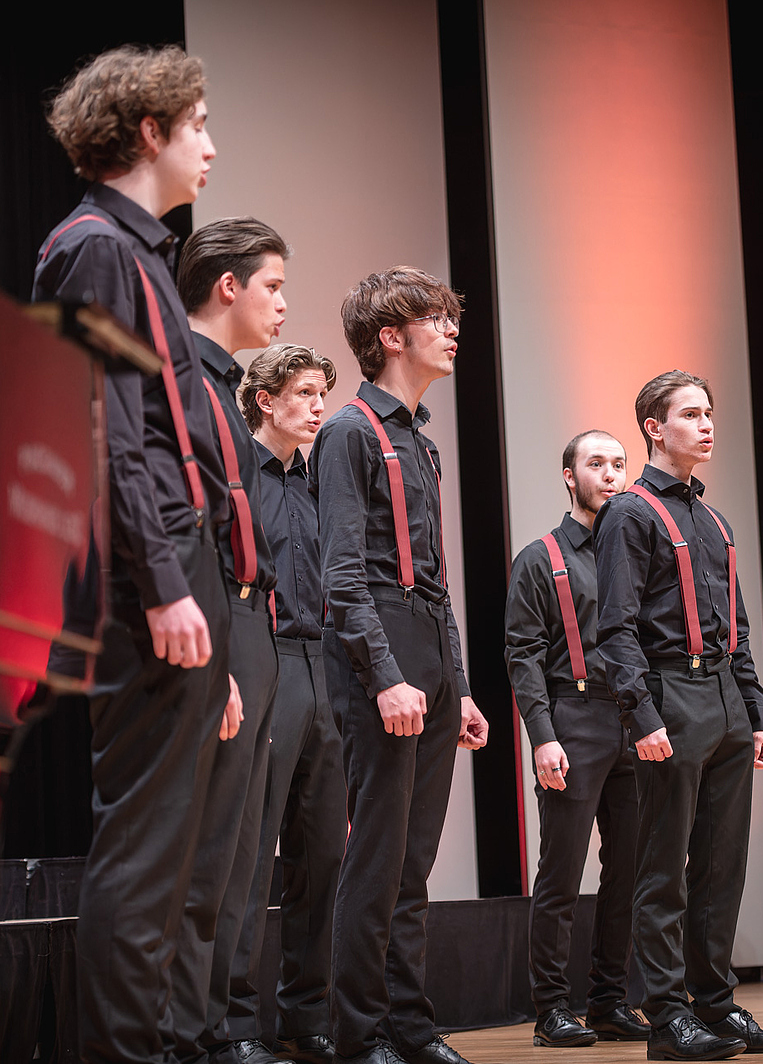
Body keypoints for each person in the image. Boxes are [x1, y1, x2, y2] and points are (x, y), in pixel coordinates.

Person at [33, 44, 244, 1064]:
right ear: (149, 130)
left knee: (179, 849)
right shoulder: (94, 249)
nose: (211, 145)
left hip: (177, 561)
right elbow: (106, 431)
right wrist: (163, 583)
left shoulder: (138, 252)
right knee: (147, 843)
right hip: (145, 570)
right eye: (197, 124)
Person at [595, 370, 763, 1060]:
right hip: (669, 695)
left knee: (721, 865)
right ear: (654, 428)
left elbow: (735, 628)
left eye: (709, 412)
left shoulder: (715, 521)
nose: (707, 424)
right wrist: (643, 714)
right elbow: (615, 627)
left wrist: (758, 713)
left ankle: (715, 1005)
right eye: (691, 414)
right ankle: (666, 1017)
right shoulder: (629, 513)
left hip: (725, 700)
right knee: (664, 866)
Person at [311, 267, 489, 1064]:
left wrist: (460, 685)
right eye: (435, 318)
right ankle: (360, 1034)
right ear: (391, 336)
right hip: (377, 648)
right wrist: (385, 676)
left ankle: (410, 1026)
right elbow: (343, 577)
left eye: (452, 318)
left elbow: (436, 579)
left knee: (414, 864)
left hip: (429, 653)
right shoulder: (349, 432)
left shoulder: (422, 440)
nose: (452, 330)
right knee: (377, 859)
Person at [172, 217, 288, 1064]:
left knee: (242, 849)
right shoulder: (185, 382)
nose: (282, 304)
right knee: (205, 846)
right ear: (228, 286)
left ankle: (216, 1027)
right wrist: (218, 654)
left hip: (254, 620)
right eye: (273, 286)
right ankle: (181, 1034)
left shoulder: (223, 387)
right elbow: (190, 530)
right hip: (217, 616)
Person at [505, 430, 650, 1049]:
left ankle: (611, 1000)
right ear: (570, 476)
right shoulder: (540, 558)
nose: (611, 475)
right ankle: (551, 1009)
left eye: (619, 464)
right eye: (597, 464)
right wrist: (543, 736)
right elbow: (523, 654)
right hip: (574, 718)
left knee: (629, 871)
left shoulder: (637, 553)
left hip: (635, 720)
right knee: (561, 873)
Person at [224, 342, 346, 1064]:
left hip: (325, 663)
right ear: (265, 399)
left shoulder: (322, 482)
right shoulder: (239, 475)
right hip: (264, 657)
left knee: (323, 851)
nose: (318, 406)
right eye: (304, 393)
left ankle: (307, 1014)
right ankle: (236, 1024)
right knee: (250, 851)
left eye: (322, 394)